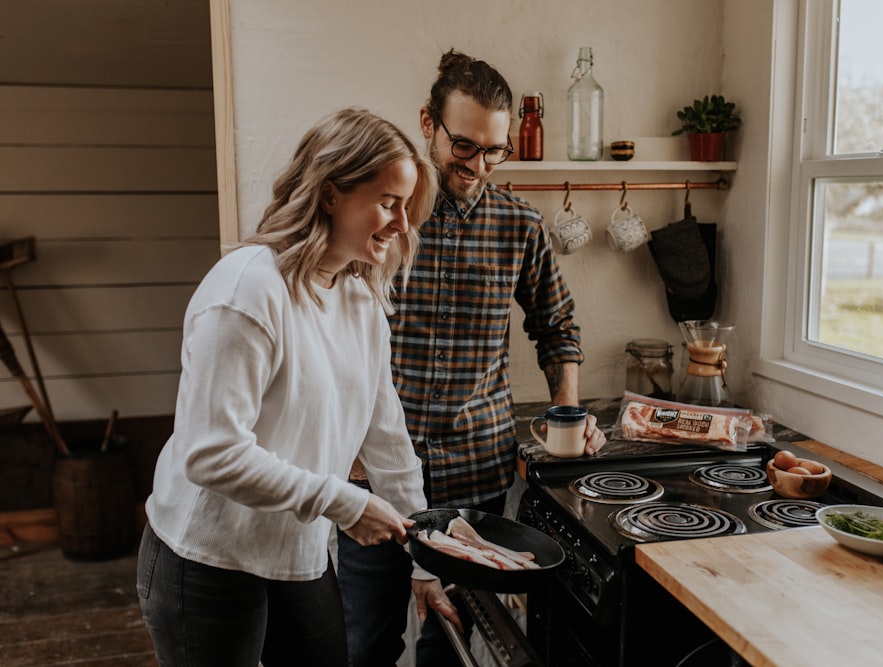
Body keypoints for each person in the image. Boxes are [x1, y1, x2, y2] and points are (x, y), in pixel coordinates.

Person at [135, 107, 460, 667]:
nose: (403, 225)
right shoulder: (247, 291)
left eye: (408, 207)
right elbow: (210, 453)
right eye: (388, 202)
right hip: (207, 558)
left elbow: (387, 439)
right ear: (330, 194)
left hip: (296, 553)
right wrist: (345, 503)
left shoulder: (361, 299)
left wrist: (426, 557)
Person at [337, 50, 607, 667]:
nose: (478, 165)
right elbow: (335, 333)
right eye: (464, 146)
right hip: (374, 470)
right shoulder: (384, 220)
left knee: (452, 642)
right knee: (366, 642)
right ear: (427, 123)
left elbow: (557, 324)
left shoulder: (520, 225)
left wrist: (567, 415)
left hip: (473, 477)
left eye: (495, 151)